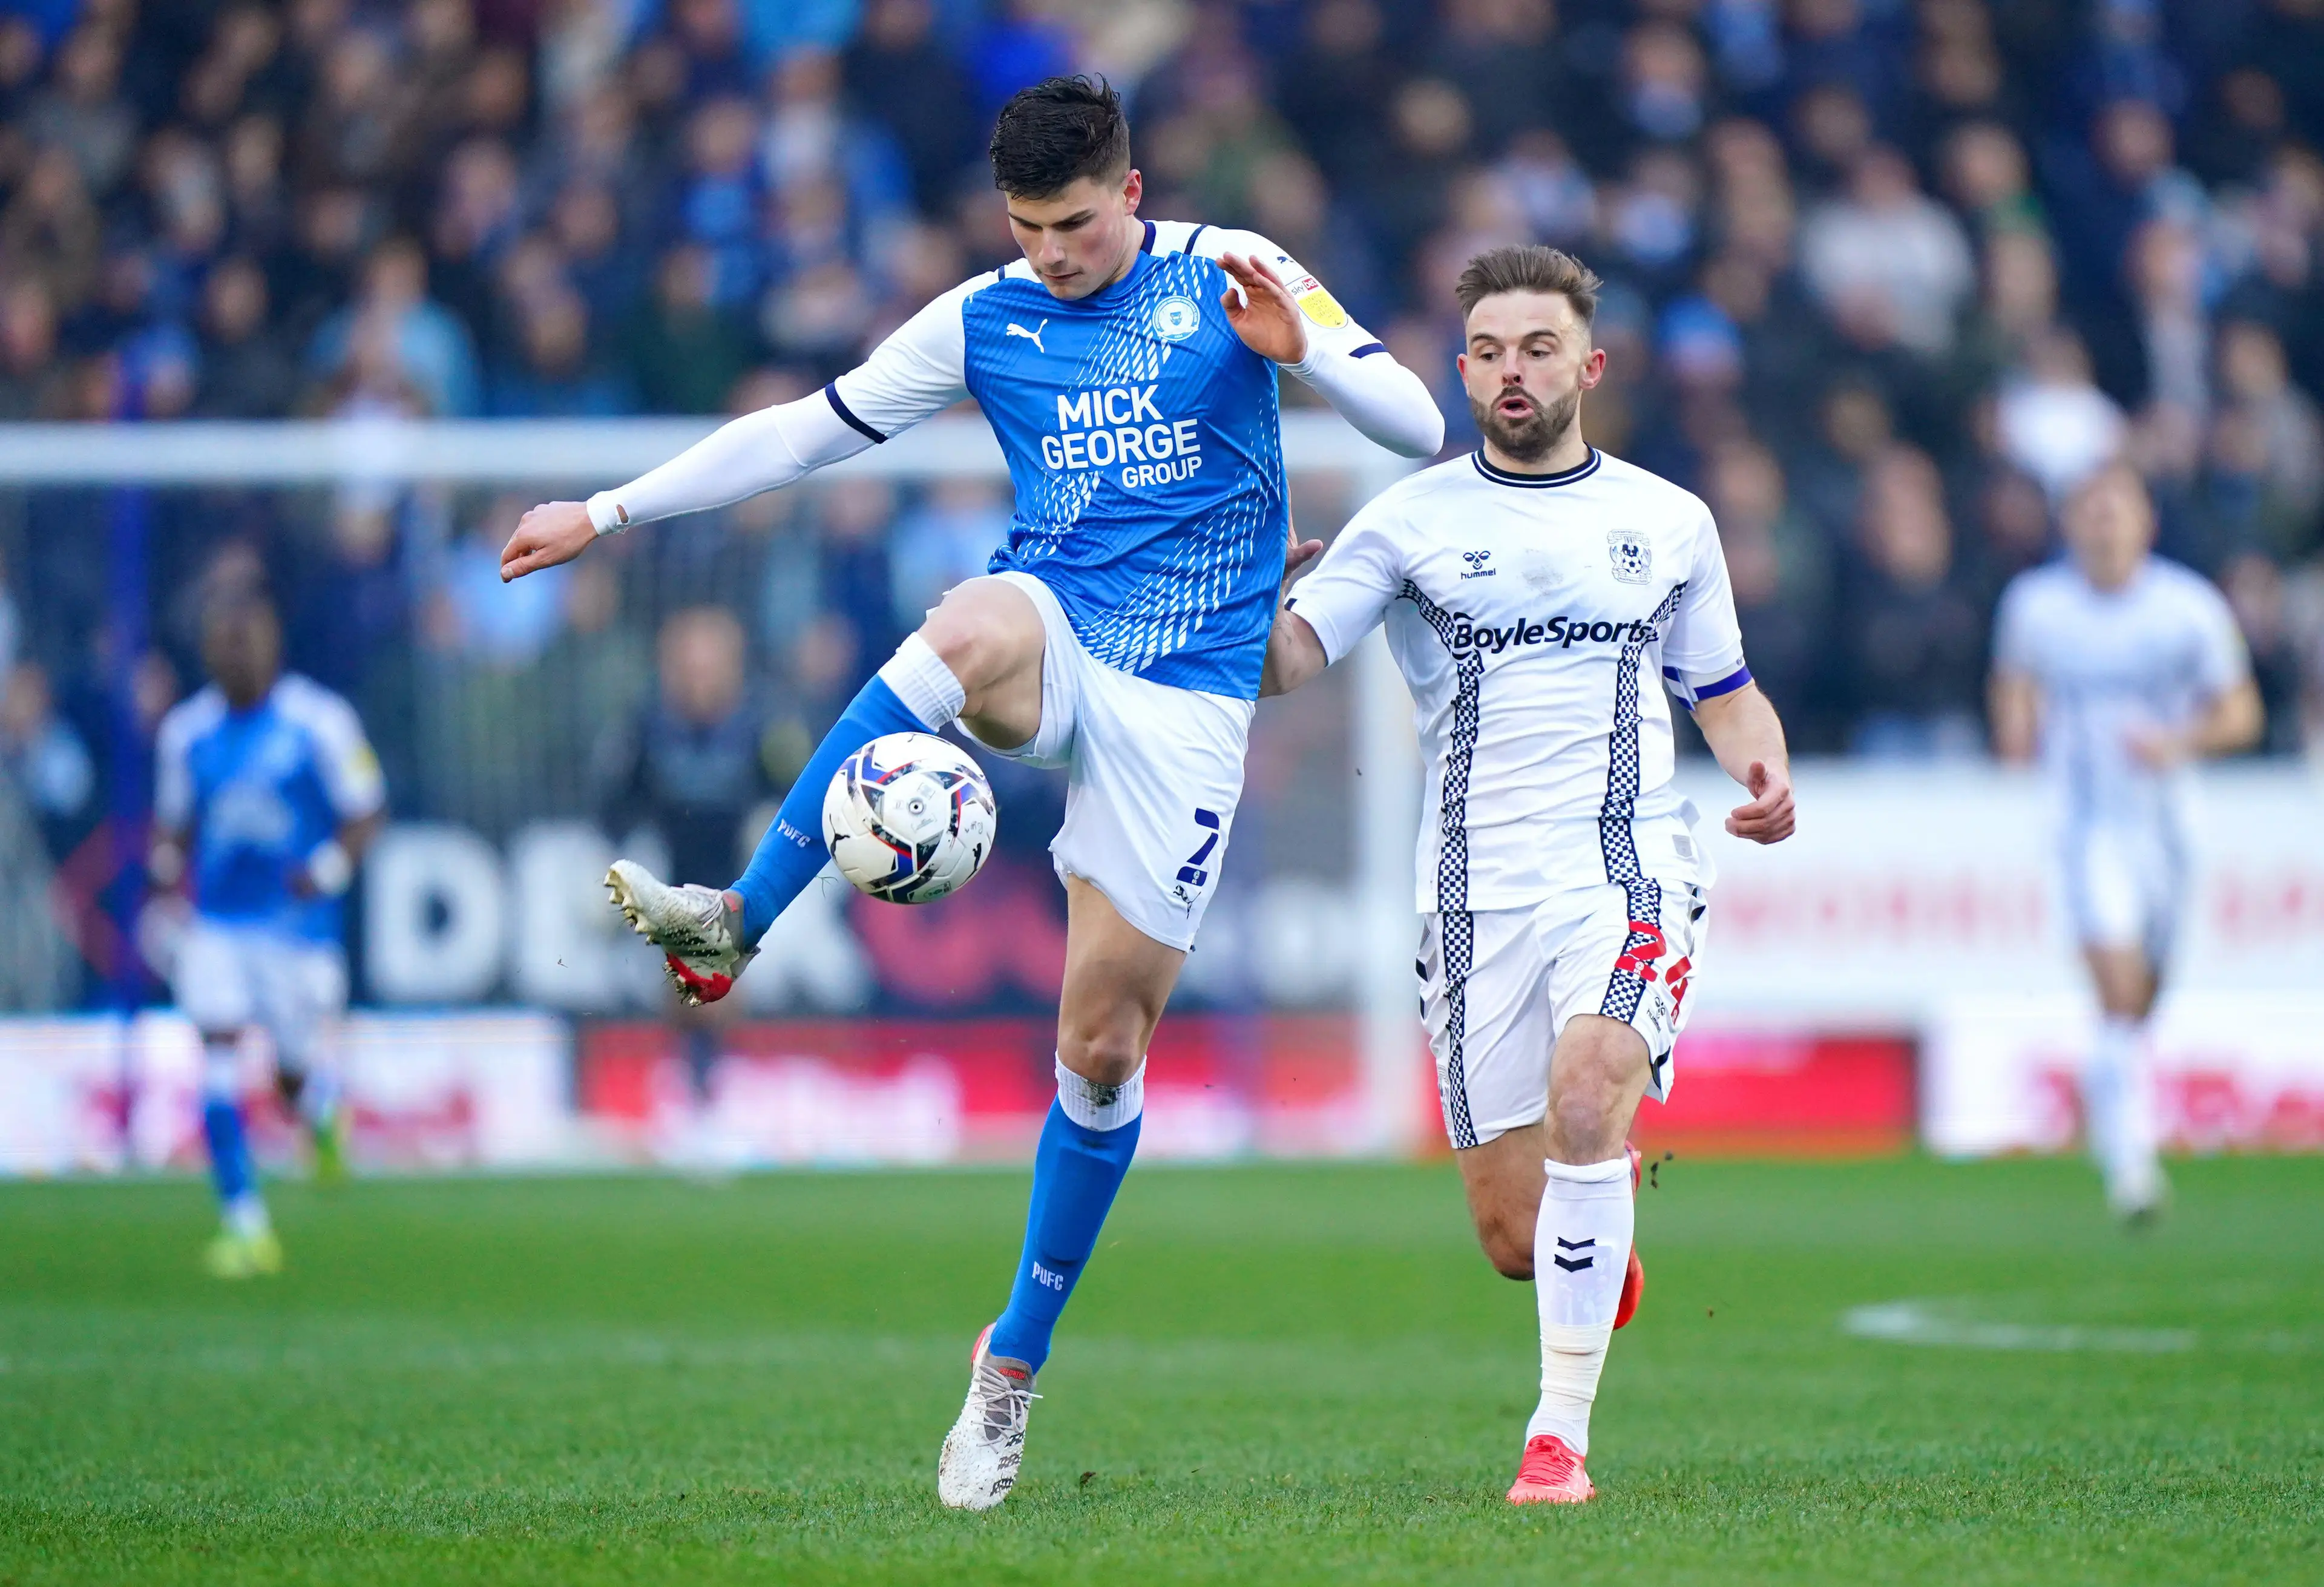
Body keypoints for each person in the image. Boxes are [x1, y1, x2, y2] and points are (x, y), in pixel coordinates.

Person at [496, 75, 1442, 1508]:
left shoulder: (1228, 272)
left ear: (1129, 193)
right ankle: (739, 916)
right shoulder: (984, 315)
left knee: (1103, 1050)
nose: (1050, 252)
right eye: (1025, 226)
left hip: (1189, 699)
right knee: (968, 623)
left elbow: (1419, 425)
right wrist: (607, 510)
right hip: (1054, 640)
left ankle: (1007, 1364)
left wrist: (1301, 346)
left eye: (1072, 223)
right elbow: (802, 431)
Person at [1261, 245, 1797, 1506]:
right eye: (1491, 350)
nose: (1514, 370)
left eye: (1539, 348)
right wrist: (1246, 596)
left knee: (1588, 1083)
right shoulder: (1408, 519)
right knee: (1518, 1238)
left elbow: (1726, 693)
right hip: (1468, 894)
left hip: (1622, 866)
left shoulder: (1669, 521)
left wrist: (1762, 774)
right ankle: (1590, 1244)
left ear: (1590, 366)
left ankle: (1557, 1440)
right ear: (1461, 369)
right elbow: (1289, 664)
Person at [1988, 464, 2262, 1221]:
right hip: (2088, 824)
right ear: (2071, 523)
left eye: (2119, 509)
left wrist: (2180, 742)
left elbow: (2241, 712)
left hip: (2170, 824)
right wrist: (2016, 735)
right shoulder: (2038, 606)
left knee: (2147, 995)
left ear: (2146, 520)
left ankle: (2108, 1097)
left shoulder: (2188, 609)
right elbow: (2014, 686)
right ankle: (2131, 1170)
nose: (2105, 524)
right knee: (2115, 989)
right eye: (2090, 511)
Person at [149, 594, 386, 1279]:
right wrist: (167, 864)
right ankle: (245, 1223)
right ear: (208, 654)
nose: (237, 655)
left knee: (288, 1070)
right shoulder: (185, 733)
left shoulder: (320, 721)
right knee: (218, 1053)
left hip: (296, 932)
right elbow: (174, 822)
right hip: (219, 926)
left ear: (273, 644)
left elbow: (366, 808)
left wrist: (330, 867)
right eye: (224, 644)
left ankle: (319, 1109)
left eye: (247, 640)